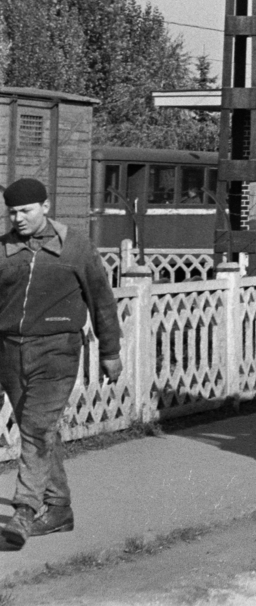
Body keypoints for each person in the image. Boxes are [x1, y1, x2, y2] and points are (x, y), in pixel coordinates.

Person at [0, 178, 122, 549]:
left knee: (37, 428)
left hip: (58, 350)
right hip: (8, 350)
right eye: (13, 212)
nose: (18, 218)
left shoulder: (76, 246)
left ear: (46, 206)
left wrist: (110, 352)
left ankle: (23, 511)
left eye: (26, 210)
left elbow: (101, 300)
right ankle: (59, 508)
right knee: (36, 429)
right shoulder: (4, 249)